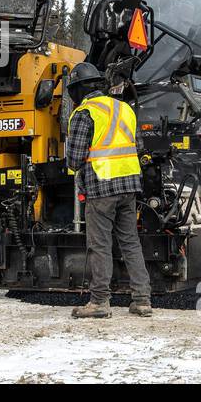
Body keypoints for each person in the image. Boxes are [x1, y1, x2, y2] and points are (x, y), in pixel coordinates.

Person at [64, 62, 152, 319]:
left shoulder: (84, 113)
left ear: (78, 90)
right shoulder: (124, 108)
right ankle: (142, 300)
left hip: (101, 186)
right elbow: (137, 146)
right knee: (130, 243)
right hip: (129, 185)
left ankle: (100, 301)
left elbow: (74, 160)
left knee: (100, 245)